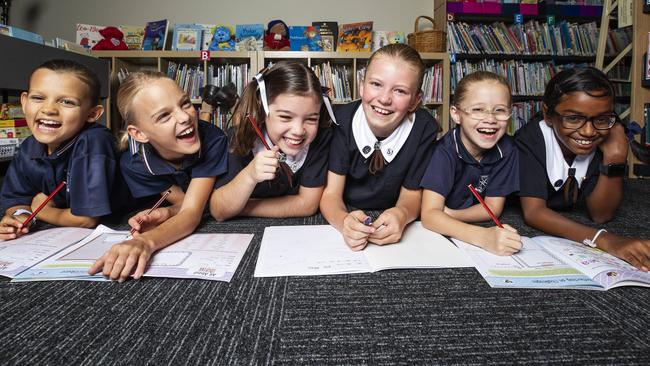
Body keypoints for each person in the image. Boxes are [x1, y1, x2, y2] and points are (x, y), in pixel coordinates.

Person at [88, 71, 228, 281]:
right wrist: (170, 212)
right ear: (139, 134)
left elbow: (192, 211)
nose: (185, 117)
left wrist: (146, 242)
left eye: (185, 103)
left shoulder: (213, 138)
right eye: (164, 116)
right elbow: (187, 205)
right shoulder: (134, 163)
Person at [516, 67, 650, 271]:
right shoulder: (530, 138)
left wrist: (615, 157)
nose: (589, 131)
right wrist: (605, 240)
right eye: (573, 118)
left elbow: (601, 214)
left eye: (602, 119)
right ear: (548, 115)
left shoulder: (602, 135)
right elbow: (534, 212)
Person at [320, 44, 438, 250]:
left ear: (415, 101)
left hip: (391, 213)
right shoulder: (341, 121)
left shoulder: (424, 128)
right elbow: (331, 194)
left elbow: (412, 195)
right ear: (361, 86)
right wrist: (343, 221)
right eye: (376, 84)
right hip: (348, 209)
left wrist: (402, 214)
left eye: (400, 91)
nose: (384, 99)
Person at [0, 59, 120, 240]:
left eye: (67, 102)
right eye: (38, 98)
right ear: (24, 103)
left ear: (92, 114)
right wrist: (21, 217)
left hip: (121, 225)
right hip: (60, 229)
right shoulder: (29, 147)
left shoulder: (94, 141)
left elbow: (85, 220)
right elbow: (16, 200)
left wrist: (42, 212)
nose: (48, 109)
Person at [210, 61, 333, 220]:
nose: (298, 131)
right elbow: (218, 210)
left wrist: (242, 208)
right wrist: (250, 175)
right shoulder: (241, 137)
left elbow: (307, 204)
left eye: (311, 119)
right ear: (263, 109)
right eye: (285, 117)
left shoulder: (321, 139)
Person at [421, 71, 521, 255]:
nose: (490, 119)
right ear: (456, 114)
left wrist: (451, 215)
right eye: (477, 110)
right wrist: (484, 238)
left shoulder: (507, 150)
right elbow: (429, 215)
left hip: (452, 216)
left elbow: (493, 208)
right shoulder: (444, 151)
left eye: (500, 110)